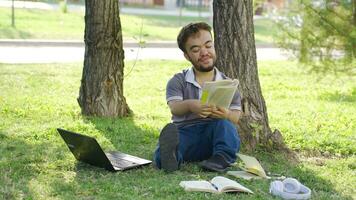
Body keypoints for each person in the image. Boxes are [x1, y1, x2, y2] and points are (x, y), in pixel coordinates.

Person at [153, 22, 242, 172]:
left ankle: (221, 159)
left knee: (226, 127)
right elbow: (174, 108)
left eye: (208, 46)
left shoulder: (228, 84)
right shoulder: (178, 81)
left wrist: (226, 114)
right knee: (167, 147)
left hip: (214, 135)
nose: (204, 53)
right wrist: (190, 105)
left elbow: (236, 117)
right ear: (187, 56)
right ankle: (171, 158)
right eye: (196, 49)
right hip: (186, 133)